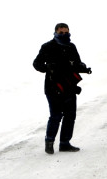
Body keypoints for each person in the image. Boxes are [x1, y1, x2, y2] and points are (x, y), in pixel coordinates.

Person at [33, 23, 92, 154]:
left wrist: (84, 69)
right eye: (61, 32)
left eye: (66, 32)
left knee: (70, 116)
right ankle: (49, 142)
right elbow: (36, 64)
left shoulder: (71, 47)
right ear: (55, 33)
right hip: (52, 87)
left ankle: (65, 143)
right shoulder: (47, 47)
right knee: (55, 115)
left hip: (69, 87)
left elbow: (77, 63)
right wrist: (48, 68)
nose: (64, 34)